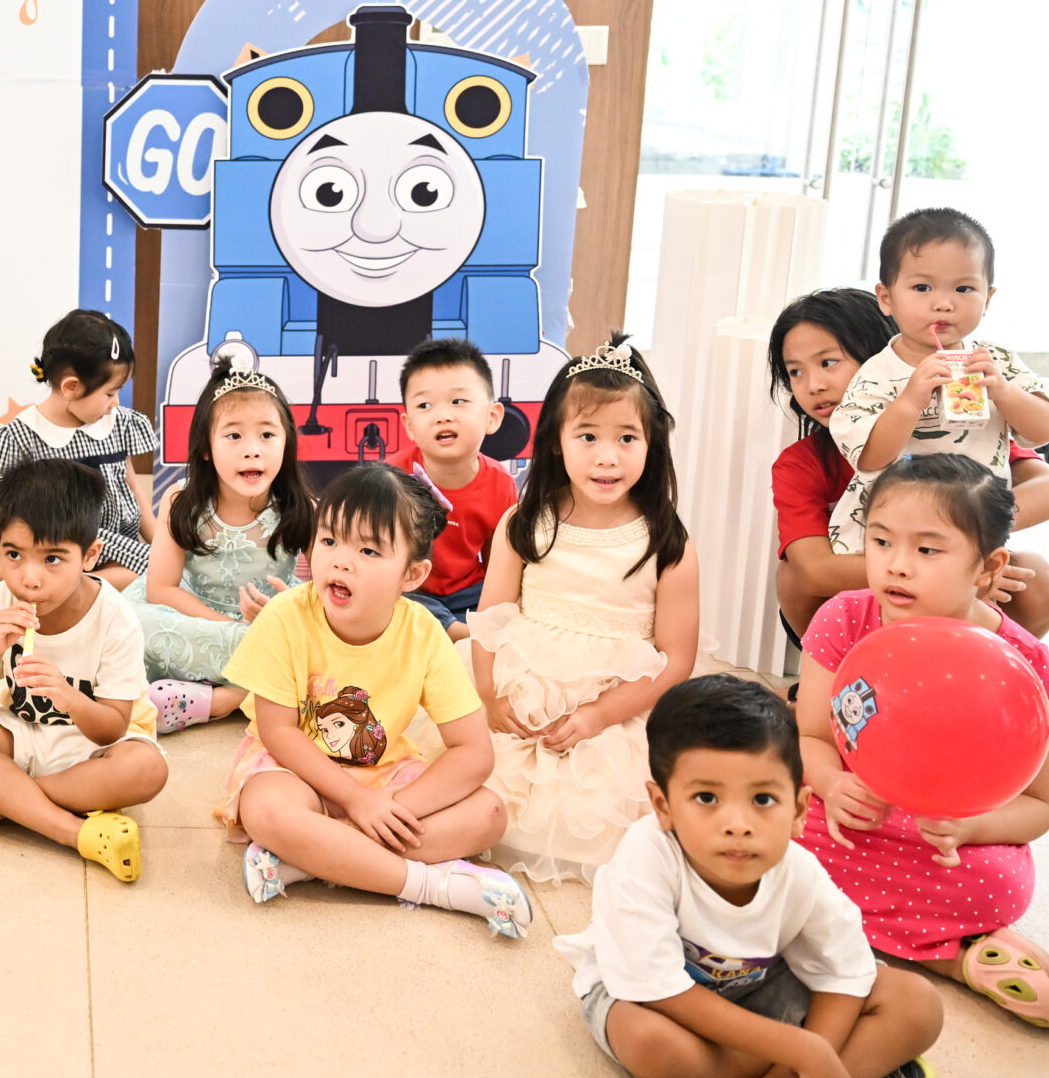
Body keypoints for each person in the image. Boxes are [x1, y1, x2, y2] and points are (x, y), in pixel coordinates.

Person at [557, 675, 945, 1078]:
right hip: (656, 1000)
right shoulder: (646, 854)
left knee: (917, 1005)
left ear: (799, 809)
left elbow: (846, 973)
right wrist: (806, 1052)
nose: (737, 825)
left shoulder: (799, 871)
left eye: (763, 800)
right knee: (647, 1042)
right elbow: (659, 990)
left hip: (760, 990)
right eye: (706, 798)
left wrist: (802, 1069)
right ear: (663, 806)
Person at [797, 454, 1049, 1029]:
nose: (897, 566)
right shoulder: (844, 619)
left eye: (928, 550)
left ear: (987, 567)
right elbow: (809, 736)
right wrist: (831, 783)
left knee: (995, 882)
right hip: (850, 817)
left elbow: (1038, 807)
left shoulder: (1023, 661)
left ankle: (924, 952)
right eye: (880, 541)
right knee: (773, 829)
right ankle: (947, 953)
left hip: (947, 844)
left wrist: (967, 829)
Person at [214, 463, 530, 937]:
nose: (342, 561)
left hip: (384, 774)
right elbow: (278, 732)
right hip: (296, 770)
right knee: (270, 811)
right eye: (329, 540)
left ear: (412, 574)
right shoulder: (284, 616)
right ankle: (431, 886)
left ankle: (314, 859)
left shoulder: (424, 632)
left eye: (368, 550)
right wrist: (355, 801)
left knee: (489, 814)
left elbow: (473, 752)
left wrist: (390, 805)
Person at [470, 336, 701, 883]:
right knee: (464, 769)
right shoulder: (525, 523)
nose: (607, 456)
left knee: (609, 803)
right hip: (520, 689)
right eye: (588, 436)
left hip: (619, 704)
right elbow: (489, 620)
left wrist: (598, 715)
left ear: (651, 444)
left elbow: (676, 659)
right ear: (556, 441)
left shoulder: (667, 542)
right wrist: (489, 695)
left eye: (627, 438)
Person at [771, 285, 1049, 643]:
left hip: (954, 603)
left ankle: (985, 666)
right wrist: (939, 570)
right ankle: (839, 670)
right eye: (795, 372)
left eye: (828, 363)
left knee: (1035, 576)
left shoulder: (955, 434)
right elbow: (814, 572)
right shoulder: (802, 463)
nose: (813, 386)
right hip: (862, 608)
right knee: (791, 577)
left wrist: (956, 544)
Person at [0, 458, 167, 882]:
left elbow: (111, 728)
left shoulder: (115, 618)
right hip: (20, 734)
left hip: (89, 750)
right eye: (13, 555)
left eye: (52, 558)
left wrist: (69, 696)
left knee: (148, 769)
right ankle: (73, 831)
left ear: (89, 556)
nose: (29, 579)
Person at [825, 209, 1049, 561]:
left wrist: (1003, 391)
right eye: (922, 287)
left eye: (964, 288)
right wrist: (910, 401)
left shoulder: (996, 361)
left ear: (987, 299)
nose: (943, 304)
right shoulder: (877, 373)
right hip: (891, 537)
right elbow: (869, 457)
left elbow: (1048, 429)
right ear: (886, 298)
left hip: (970, 530)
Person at [131, 359, 314, 734]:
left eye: (267, 435)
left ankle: (221, 700)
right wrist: (230, 626)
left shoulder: (302, 507)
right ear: (205, 449)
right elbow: (160, 589)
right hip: (194, 613)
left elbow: (326, 588)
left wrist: (283, 610)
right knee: (133, 625)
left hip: (271, 621)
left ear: (287, 442)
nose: (252, 450)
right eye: (234, 436)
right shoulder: (181, 501)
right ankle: (258, 692)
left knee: (316, 642)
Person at [0, 309, 156, 589]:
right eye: (109, 393)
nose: (115, 402)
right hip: (40, 544)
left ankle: (61, 586)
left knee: (148, 572)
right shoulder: (25, 434)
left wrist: (159, 545)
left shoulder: (118, 424)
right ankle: (55, 584)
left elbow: (133, 488)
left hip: (104, 545)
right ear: (71, 387)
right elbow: (10, 509)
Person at [397, 337, 519, 640]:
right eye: (425, 405)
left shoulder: (501, 483)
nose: (443, 415)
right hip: (413, 588)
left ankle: (459, 631)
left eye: (458, 401)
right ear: (409, 425)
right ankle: (458, 633)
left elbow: (498, 562)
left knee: (509, 603)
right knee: (392, 598)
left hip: (469, 591)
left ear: (492, 417)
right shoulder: (392, 476)